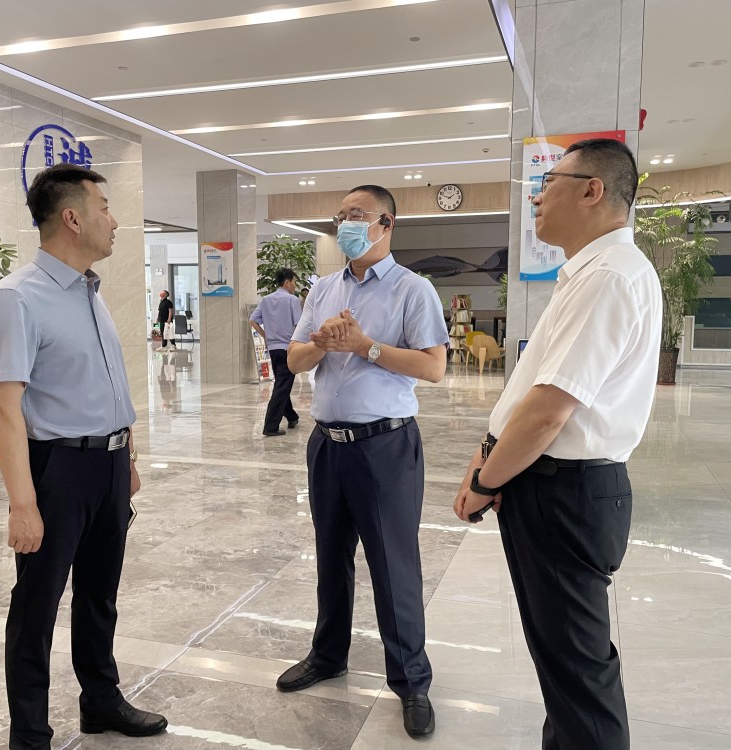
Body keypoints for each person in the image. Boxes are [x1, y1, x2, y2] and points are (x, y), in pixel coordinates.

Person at [453, 138, 662, 750]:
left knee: (577, 672)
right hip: (550, 485)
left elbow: (548, 411)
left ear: (592, 190)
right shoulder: (591, 273)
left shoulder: (610, 277)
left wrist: (486, 480)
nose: (537, 198)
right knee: (564, 666)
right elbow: (529, 396)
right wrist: (488, 458)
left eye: (549, 183)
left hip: (564, 492)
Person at [0, 163, 167, 750]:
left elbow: (107, 384)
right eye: (105, 208)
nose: (114, 221)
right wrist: (23, 505)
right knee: (36, 609)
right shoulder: (17, 298)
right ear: (72, 218)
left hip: (106, 466)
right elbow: (3, 407)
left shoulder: (90, 292)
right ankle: (30, 735)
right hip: (56, 469)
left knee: (99, 595)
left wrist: (126, 457)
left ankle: (100, 700)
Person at [279, 185, 449, 738]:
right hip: (328, 444)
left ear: (386, 223)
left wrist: (364, 346)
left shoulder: (412, 289)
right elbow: (295, 359)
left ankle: (412, 681)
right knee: (332, 557)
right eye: (341, 216)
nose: (346, 225)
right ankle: (328, 655)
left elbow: (433, 367)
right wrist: (325, 343)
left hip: (385, 447)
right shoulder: (324, 287)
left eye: (358, 215)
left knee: (393, 565)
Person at [249, 268, 302, 436]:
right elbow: (299, 325)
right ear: (286, 283)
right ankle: (270, 426)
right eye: (293, 282)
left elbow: (252, 320)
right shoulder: (292, 300)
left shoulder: (265, 300)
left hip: (273, 348)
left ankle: (292, 417)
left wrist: (266, 336)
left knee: (281, 383)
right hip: (288, 348)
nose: (294, 286)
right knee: (282, 386)